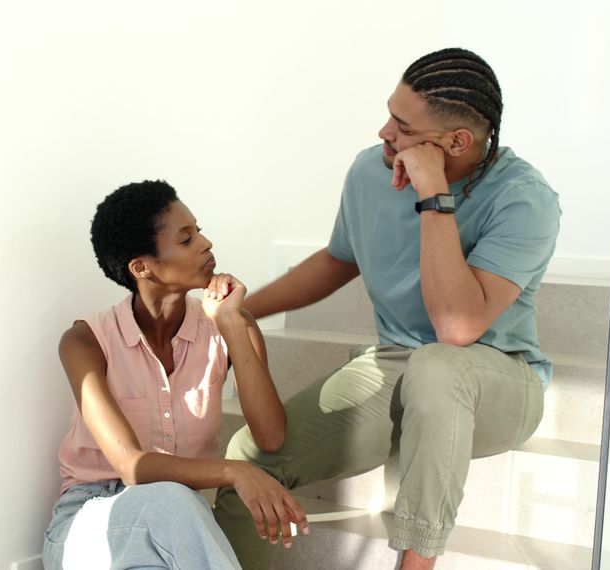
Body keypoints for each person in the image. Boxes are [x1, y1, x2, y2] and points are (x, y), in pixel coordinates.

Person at [213, 48, 561, 570]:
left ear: (456, 143)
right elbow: (336, 261)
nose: (383, 132)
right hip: (397, 364)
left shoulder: (524, 199)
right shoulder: (368, 172)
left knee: (438, 365)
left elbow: (457, 327)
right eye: (389, 114)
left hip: (498, 379)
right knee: (248, 463)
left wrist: (434, 196)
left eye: (402, 125)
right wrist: (240, 313)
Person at [42, 180, 311, 570]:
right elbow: (133, 466)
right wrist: (234, 471)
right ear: (142, 267)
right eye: (186, 239)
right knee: (169, 498)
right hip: (91, 525)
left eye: (198, 230)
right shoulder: (85, 342)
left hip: (176, 534)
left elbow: (270, 436)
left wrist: (233, 326)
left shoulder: (230, 327)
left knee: (171, 513)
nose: (206, 243)